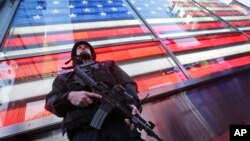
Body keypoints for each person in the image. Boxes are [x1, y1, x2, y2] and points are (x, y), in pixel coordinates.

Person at [45, 41, 144, 141]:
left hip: (118, 124)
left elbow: (128, 84)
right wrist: (69, 96)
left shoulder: (108, 66)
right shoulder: (64, 77)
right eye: (79, 47)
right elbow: (50, 101)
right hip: (83, 131)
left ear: (92, 54)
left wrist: (132, 104)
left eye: (86, 47)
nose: (83, 48)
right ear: (74, 56)